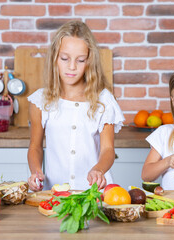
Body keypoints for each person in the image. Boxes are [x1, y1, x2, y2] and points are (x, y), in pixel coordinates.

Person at [27, 21, 125, 192]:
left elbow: (108, 149)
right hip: (55, 192)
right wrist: (36, 171)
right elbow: (35, 147)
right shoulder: (41, 100)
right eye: (65, 59)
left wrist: (99, 169)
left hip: (93, 193)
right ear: (55, 58)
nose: (72, 67)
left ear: (89, 62)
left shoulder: (103, 100)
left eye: (80, 60)